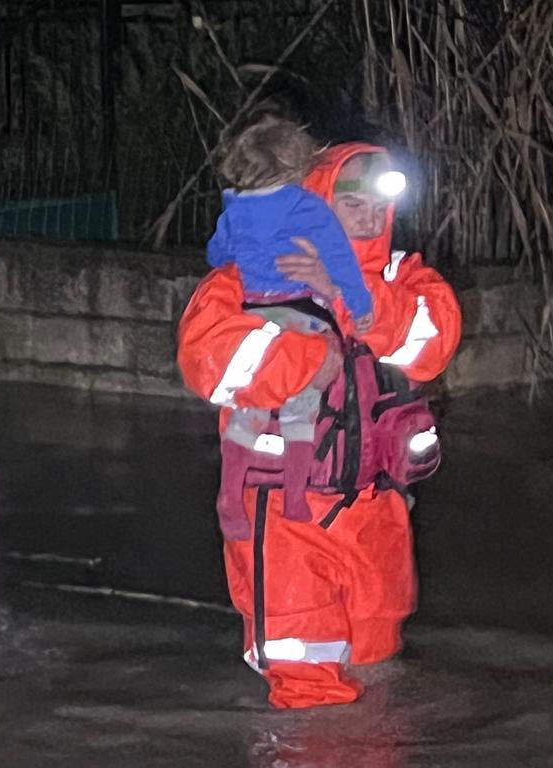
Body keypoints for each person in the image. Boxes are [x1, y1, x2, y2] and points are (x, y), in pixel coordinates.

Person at [178, 117, 462, 709]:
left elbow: (431, 344)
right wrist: (315, 355)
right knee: (307, 689)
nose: (363, 215)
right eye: (346, 200)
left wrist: (345, 294)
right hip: (285, 516)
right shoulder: (245, 281)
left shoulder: (403, 278)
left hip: (378, 514)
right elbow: (213, 365)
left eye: (372, 203)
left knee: (379, 674)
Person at [205, 108, 374, 540]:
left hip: (257, 316)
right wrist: (357, 301)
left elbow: (217, 255)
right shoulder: (306, 207)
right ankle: (296, 496)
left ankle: (229, 493)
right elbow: (339, 259)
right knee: (303, 405)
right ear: (294, 163)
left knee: (253, 405)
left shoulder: (235, 209)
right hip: (304, 314)